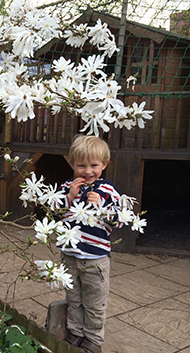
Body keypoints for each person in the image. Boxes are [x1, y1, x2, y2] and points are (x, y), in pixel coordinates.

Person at [58, 135, 122, 353]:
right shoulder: (68, 187)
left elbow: (120, 220)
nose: (87, 171)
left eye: (94, 165)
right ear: (72, 164)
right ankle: (75, 331)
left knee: (94, 302)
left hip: (96, 259)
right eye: (81, 165)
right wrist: (69, 196)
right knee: (74, 298)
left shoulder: (108, 190)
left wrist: (102, 205)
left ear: (104, 165)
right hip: (69, 255)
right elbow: (55, 212)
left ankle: (94, 337)